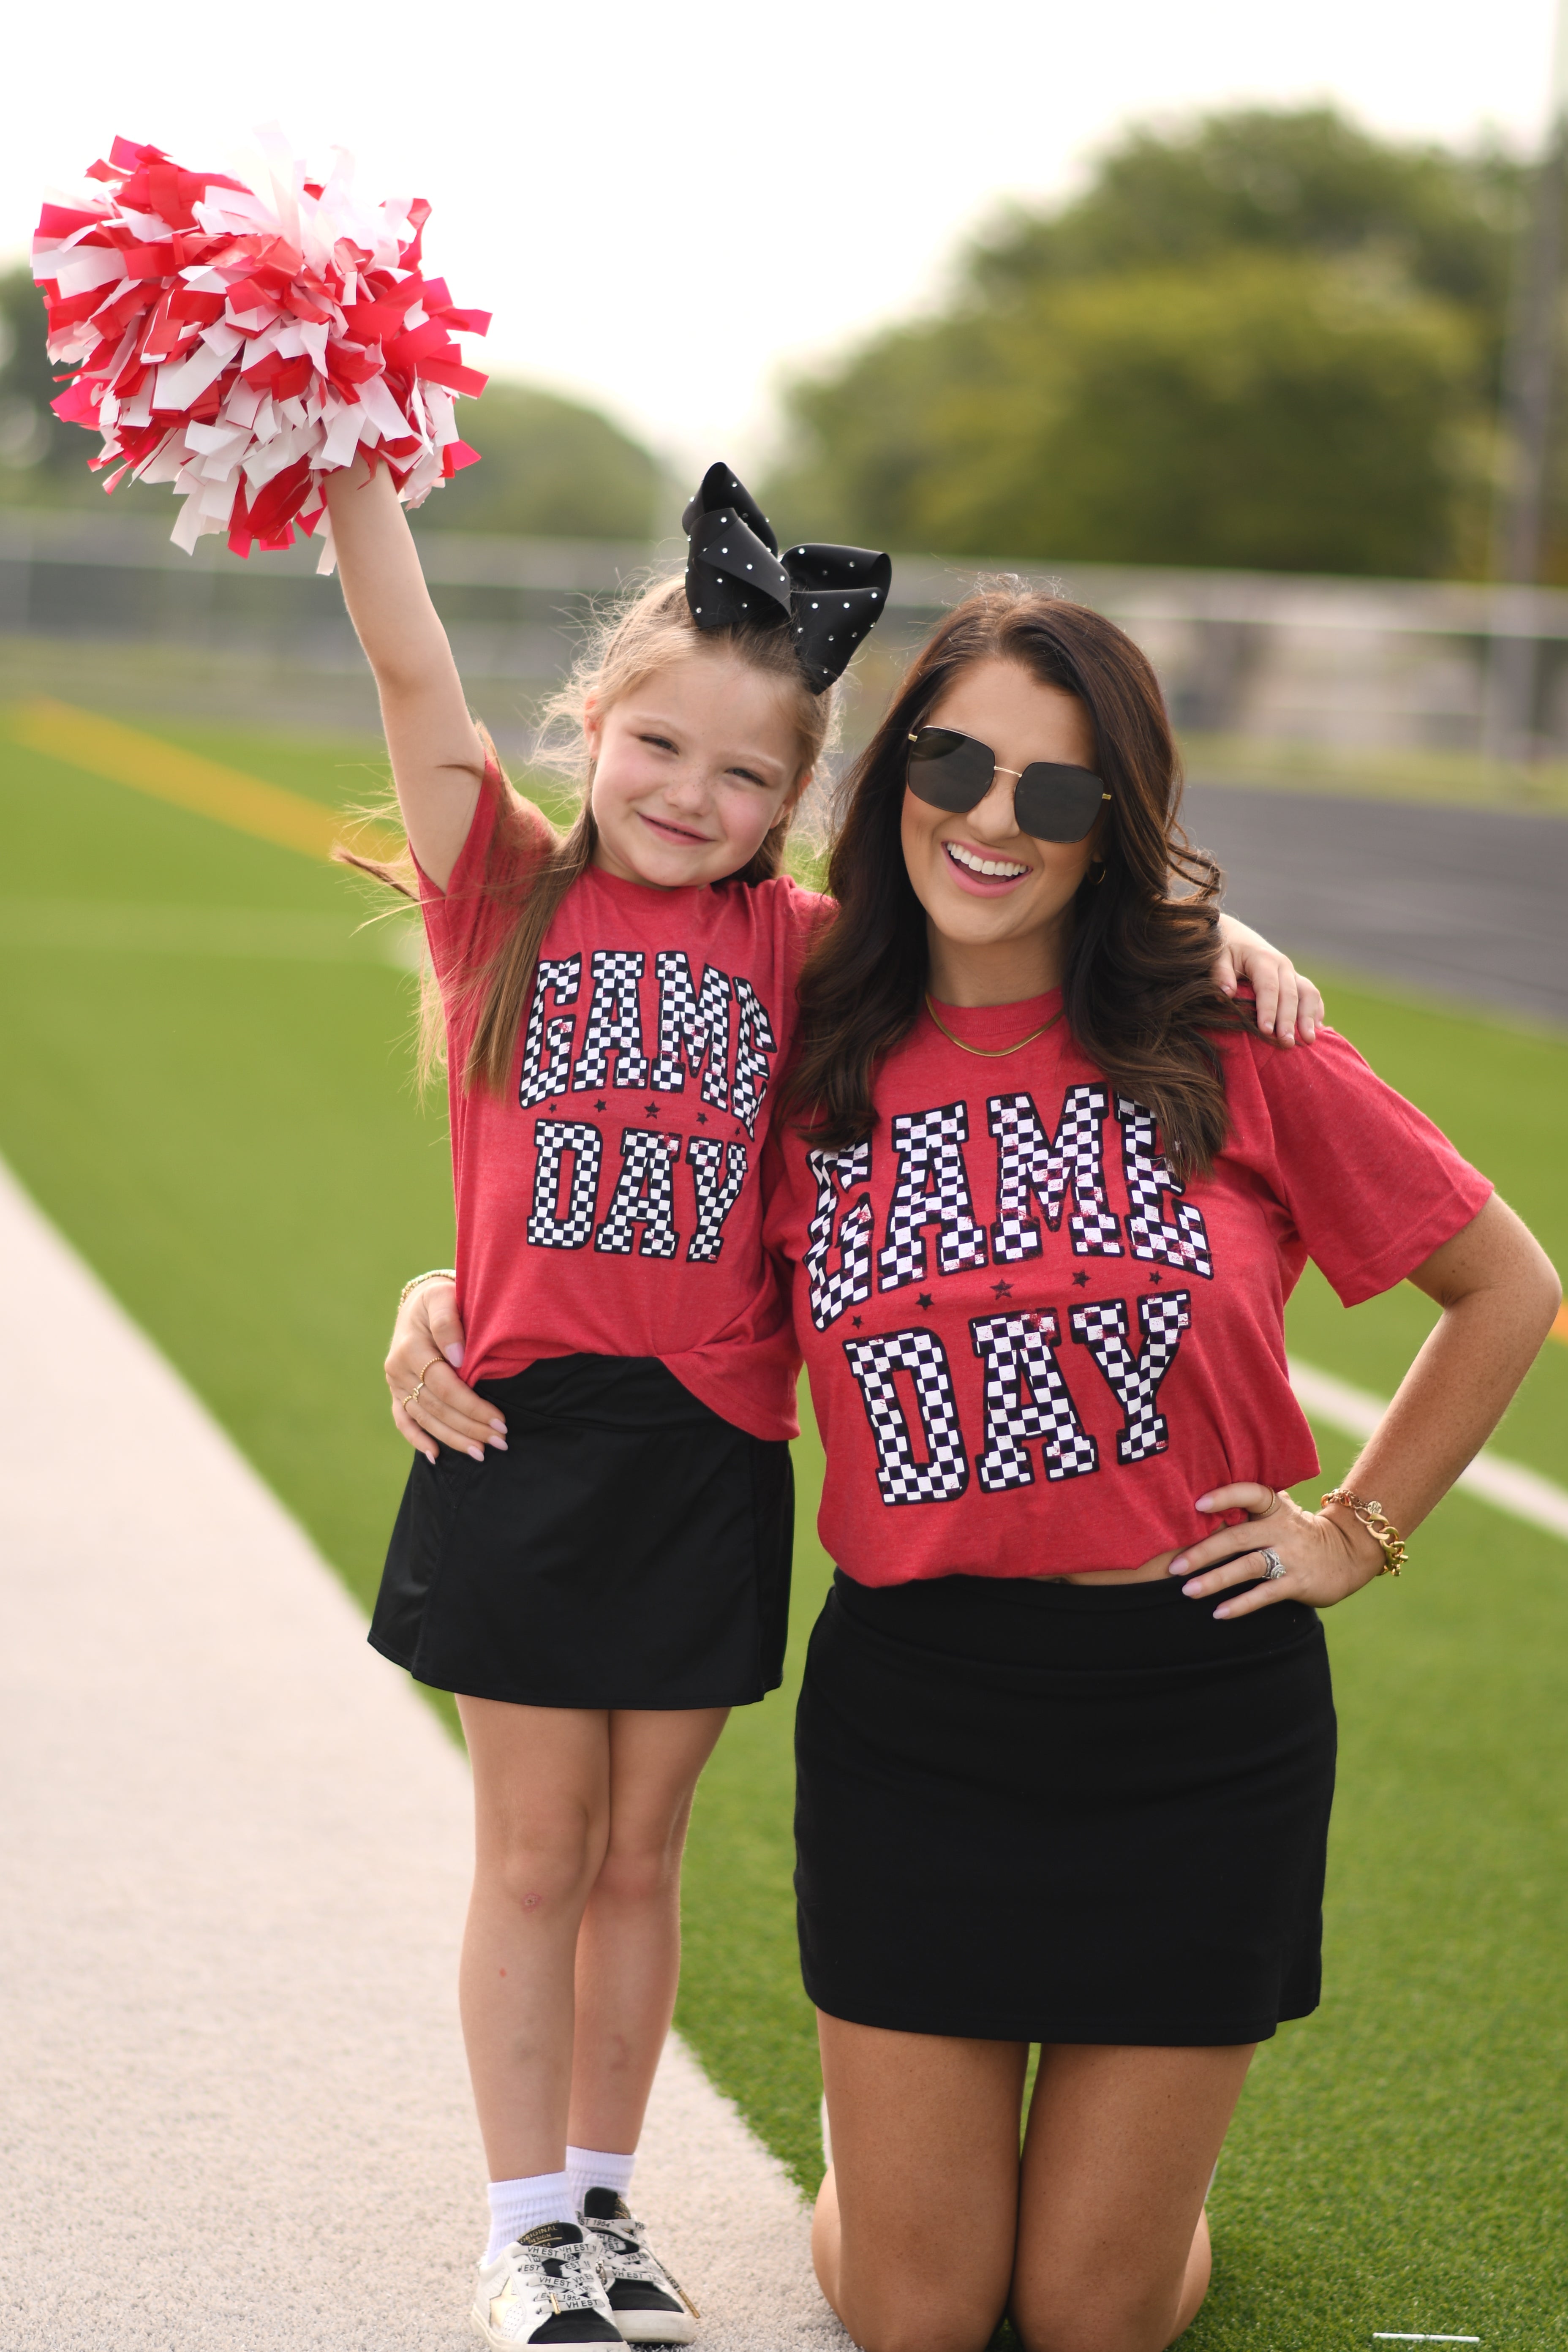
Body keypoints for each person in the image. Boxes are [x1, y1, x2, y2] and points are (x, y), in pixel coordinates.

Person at [360, 468, 1323, 2349]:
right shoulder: (505, 899)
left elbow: (1013, 950)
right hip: (522, 1448)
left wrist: (1216, 943)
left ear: (798, 804)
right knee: (536, 1854)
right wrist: (347, 471)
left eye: (744, 778)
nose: (687, 798)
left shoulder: (805, 956)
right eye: (653, 747)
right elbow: (407, 674)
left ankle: (612, 2209)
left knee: (643, 1863)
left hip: (715, 1458)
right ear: (589, 731)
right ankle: (526, 2226)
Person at [751, 586, 1558, 2352]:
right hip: (920, 1714)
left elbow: (1506, 1284)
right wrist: (446, 1290)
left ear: (1114, 828)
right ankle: (889, 2164)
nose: (990, 821)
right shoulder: (801, 1037)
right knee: (920, 2317)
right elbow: (608, 1197)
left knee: (1094, 2323)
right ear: (897, 770)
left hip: (1198, 1722)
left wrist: (1359, 1529)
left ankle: (1078, 2199)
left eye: (1057, 796)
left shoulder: (1223, 1037)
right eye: (956, 764)